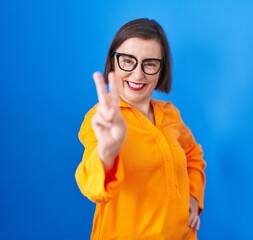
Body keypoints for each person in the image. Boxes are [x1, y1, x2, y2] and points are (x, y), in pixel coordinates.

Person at [75, 18, 206, 240]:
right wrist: (107, 155)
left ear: (161, 69)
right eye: (128, 61)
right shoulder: (100, 119)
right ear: (113, 62)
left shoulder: (170, 114)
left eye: (150, 63)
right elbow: (94, 188)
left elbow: (193, 155)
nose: (138, 74)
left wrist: (194, 196)